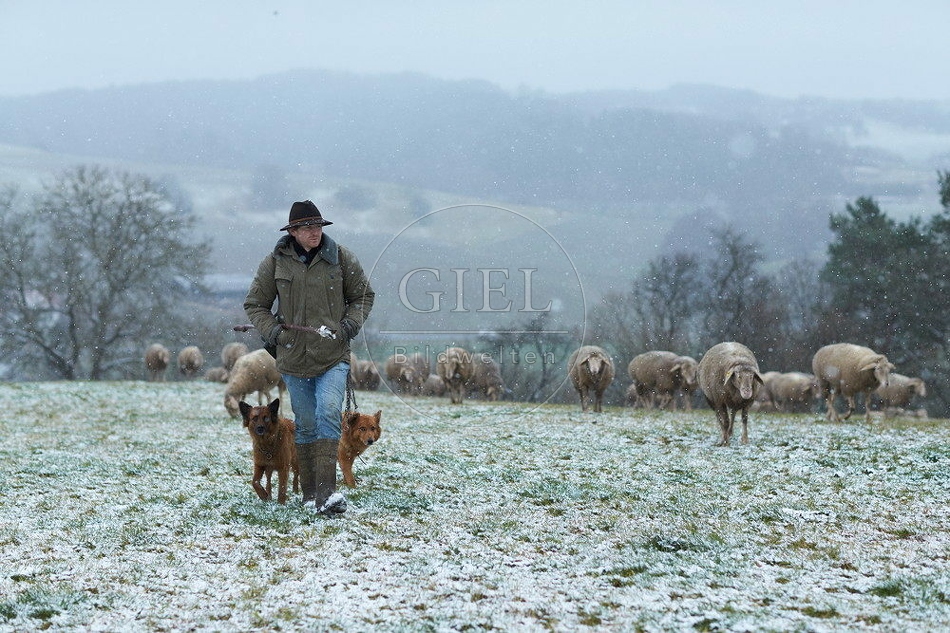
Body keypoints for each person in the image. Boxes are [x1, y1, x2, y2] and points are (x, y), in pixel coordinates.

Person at [244, 200, 375, 515]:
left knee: (328, 413)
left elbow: (363, 295)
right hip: (293, 359)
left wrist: (350, 325)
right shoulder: (275, 263)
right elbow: (255, 304)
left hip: (333, 355)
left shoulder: (341, 258)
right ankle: (309, 494)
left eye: (318, 226)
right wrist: (276, 333)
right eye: (307, 227)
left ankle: (328, 495)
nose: (314, 232)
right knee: (304, 424)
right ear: (292, 231)